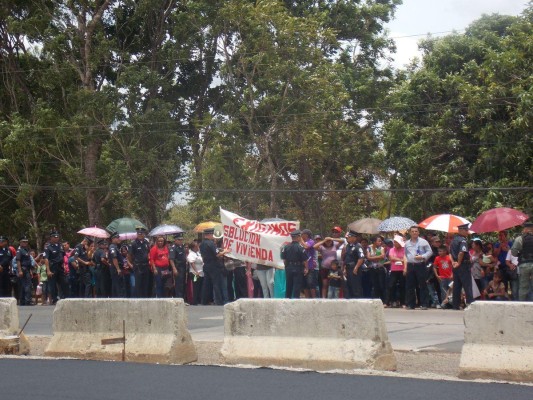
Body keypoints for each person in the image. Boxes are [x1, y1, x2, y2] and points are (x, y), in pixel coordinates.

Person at [403, 226, 433, 310]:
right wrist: (405, 267)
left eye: (416, 231)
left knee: (422, 284)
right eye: (412, 231)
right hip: (410, 265)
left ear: (418, 232)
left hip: (420, 265)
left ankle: (424, 304)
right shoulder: (407, 243)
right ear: (410, 233)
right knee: (410, 285)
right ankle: (410, 304)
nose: (414, 233)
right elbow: (405, 254)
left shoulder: (423, 242)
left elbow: (430, 252)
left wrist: (422, 256)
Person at [200, 228, 227, 305]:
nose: (213, 236)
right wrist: (225, 251)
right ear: (208, 235)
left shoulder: (202, 244)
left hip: (206, 265)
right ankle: (219, 301)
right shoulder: (210, 243)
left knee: (206, 284)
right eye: (212, 234)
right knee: (216, 284)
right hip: (214, 265)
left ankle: (204, 301)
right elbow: (217, 254)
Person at [450, 223, 474, 309]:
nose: (467, 232)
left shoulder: (453, 240)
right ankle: (470, 304)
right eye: (466, 230)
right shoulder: (463, 240)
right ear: (461, 230)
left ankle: (455, 305)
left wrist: (453, 262)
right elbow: (461, 252)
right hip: (463, 265)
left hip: (455, 266)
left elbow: (450, 253)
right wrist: (459, 262)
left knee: (457, 286)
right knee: (467, 285)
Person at [281, 230, 308, 299]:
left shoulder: (286, 247)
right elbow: (305, 260)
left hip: (289, 267)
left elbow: (284, 260)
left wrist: (287, 266)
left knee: (288, 285)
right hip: (298, 268)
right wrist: (306, 268)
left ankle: (287, 300)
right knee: (297, 286)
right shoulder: (300, 247)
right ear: (298, 237)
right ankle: (295, 301)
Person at [511, 221, 533, 301]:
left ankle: (522, 305)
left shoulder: (520, 239)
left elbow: (513, 252)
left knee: (523, 287)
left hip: (524, 265)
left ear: (526, 229)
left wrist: (519, 254)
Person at [44, 231, 67, 304]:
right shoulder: (48, 246)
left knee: (64, 282)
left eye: (57, 236)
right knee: (52, 284)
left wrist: (64, 265)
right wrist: (48, 270)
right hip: (52, 266)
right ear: (51, 237)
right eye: (55, 237)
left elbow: (63, 256)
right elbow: (46, 259)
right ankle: (54, 299)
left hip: (60, 267)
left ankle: (64, 297)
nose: (57, 238)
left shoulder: (60, 246)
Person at [128, 226, 151, 298]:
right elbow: (129, 255)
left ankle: (145, 299)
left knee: (145, 284)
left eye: (141, 234)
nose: (140, 235)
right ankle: (139, 299)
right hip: (138, 266)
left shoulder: (146, 242)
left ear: (144, 234)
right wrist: (131, 264)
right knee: (138, 284)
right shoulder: (134, 243)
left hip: (146, 266)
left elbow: (148, 252)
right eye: (138, 234)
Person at [342, 230, 365, 299]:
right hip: (348, 268)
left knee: (356, 287)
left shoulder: (358, 246)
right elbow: (347, 258)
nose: (347, 238)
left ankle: (358, 301)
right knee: (349, 286)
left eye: (349, 237)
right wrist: (345, 269)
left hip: (355, 269)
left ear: (354, 237)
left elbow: (361, 257)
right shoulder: (348, 246)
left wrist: (356, 267)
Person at [366, 236, 387, 304]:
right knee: (375, 285)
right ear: (374, 242)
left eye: (381, 241)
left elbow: (383, 256)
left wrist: (373, 257)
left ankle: (384, 300)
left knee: (382, 284)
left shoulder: (381, 248)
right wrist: (378, 257)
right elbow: (368, 257)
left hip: (380, 268)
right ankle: (376, 300)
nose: (380, 242)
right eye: (379, 241)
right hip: (372, 269)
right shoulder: (369, 248)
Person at [387, 235, 406, 308]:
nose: (394, 244)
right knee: (391, 285)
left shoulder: (404, 249)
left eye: (396, 242)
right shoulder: (392, 249)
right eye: (394, 242)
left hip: (402, 269)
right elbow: (391, 258)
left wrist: (397, 259)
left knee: (402, 286)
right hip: (394, 269)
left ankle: (403, 302)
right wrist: (401, 259)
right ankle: (392, 301)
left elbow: (405, 258)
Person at [169, 232, 187, 300]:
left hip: (183, 267)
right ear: (175, 240)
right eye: (179, 240)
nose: (180, 241)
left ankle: (182, 299)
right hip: (178, 268)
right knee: (178, 285)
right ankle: (178, 299)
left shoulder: (182, 247)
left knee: (182, 284)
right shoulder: (173, 248)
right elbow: (171, 259)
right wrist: (174, 269)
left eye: (181, 239)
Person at [16, 236, 34, 305]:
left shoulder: (26, 250)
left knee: (26, 285)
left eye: (26, 241)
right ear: (20, 242)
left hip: (27, 269)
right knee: (27, 285)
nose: (25, 243)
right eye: (24, 241)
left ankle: (24, 301)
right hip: (23, 269)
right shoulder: (19, 250)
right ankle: (27, 301)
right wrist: (20, 270)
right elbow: (18, 261)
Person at [300, 229, 317, 298]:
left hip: (310, 266)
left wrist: (300, 239)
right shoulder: (301, 242)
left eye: (302, 234)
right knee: (304, 284)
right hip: (302, 266)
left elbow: (306, 246)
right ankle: (307, 299)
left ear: (306, 235)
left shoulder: (311, 241)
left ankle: (313, 299)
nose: (301, 236)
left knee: (311, 284)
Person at [108, 231, 125, 298]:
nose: (119, 239)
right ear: (113, 239)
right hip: (116, 269)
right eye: (117, 238)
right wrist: (118, 269)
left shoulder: (115, 247)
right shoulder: (112, 247)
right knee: (119, 287)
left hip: (117, 268)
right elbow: (114, 258)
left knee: (116, 286)